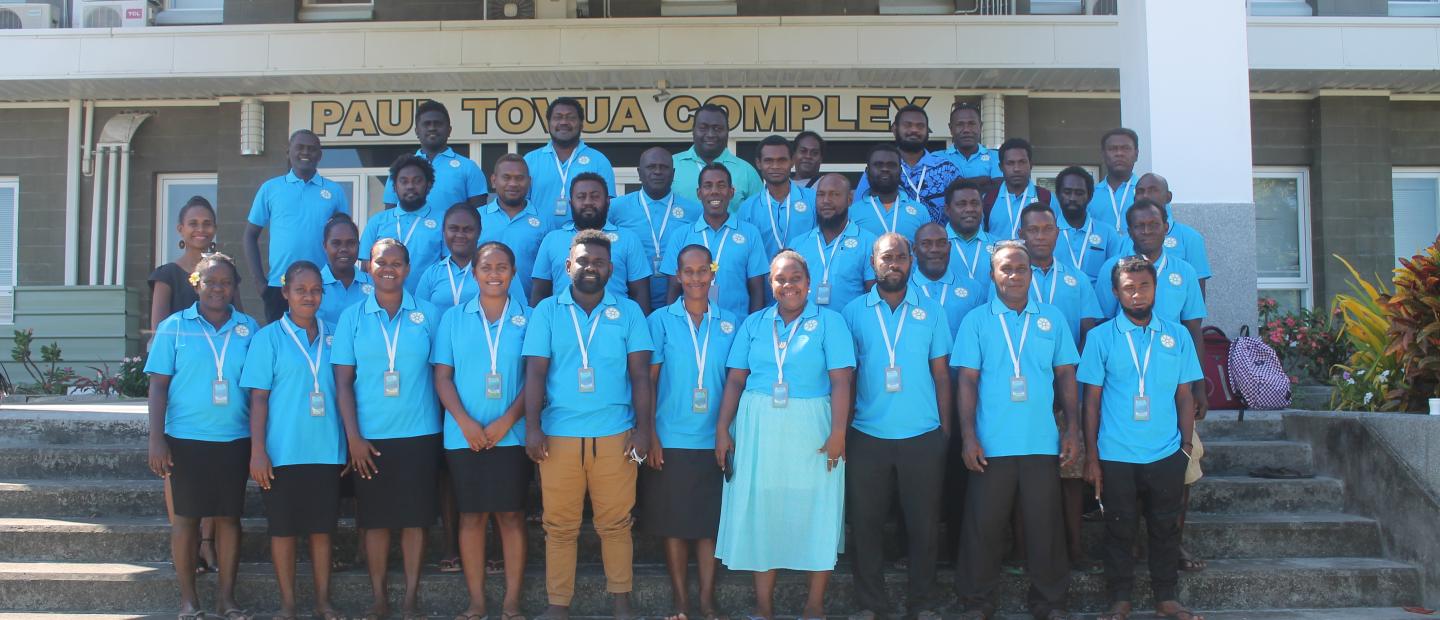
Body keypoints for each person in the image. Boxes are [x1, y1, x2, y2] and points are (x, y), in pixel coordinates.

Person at [715, 250, 854, 620]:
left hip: (813, 426)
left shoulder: (832, 323)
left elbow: (842, 381)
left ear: (808, 283)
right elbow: (735, 380)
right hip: (758, 426)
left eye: (795, 278)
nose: (788, 285)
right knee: (764, 511)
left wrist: (839, 432)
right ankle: (764, 609)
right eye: (780, 279)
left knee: (818, 508)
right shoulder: (754, 324)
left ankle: (814, 606)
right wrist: (721, 430)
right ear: (770, 283)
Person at [523, 230, 655, 620]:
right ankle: (557, 604)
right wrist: (532, 428)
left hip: (615, 434)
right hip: (559, 436)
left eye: (598, 262)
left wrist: (644, 430)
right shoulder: (546, 310)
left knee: (615, 524)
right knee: (560, 525)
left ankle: (620, 601)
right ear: (568, 267)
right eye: (582, 261)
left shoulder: (629, 312)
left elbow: (641, 377)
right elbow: (534, 373)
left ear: (611, 269)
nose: (590, 268)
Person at [951, 241, 1081, 620]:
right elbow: (967, 383)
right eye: (1005, 269)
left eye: (1020, 268)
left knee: (1046, 528)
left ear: (1030, 273)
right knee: (983, 528)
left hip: (1041, 441)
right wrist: (969, 436)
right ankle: (977, 602)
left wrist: (1072, 429)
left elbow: (1066, 376)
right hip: (991, 444)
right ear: (993, 275)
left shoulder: (1052, 318)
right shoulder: (976, 321)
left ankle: (1051, 601)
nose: (1013, 275)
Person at [1079, 256, 1207, 620]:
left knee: (1166, 528)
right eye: (1129, 288)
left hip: (1166, 451)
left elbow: (1184, 395)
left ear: (1155, 288)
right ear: (1116, 292)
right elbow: (1092, 402)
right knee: (1119, 529)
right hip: (1117, 453)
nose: (1137, 295)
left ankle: (1167, 598)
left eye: (1144, 286)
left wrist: (1185, 446)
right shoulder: (1101, 337)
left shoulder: (1177, 335)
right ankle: (1120, 599)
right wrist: (1092, 456)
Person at [840, 233, 952, 620]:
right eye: (886, 257)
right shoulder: (853, 312)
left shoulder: (933, 311)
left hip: (922, 435)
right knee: (866, 525)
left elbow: (941, 375)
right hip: (867, 435)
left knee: (923, 526)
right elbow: (847, 376)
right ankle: (871, 604)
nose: (894, 264)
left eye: (901, 257)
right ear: (873, 263)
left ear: (912, 261)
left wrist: (945, 432)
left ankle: (922, 604)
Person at [144, 253, 260, 620]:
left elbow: (258, 390)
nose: (218, 288)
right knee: (186, 521)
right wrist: (156, 438)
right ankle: (188, 601)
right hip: (184, 438)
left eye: (226, 282)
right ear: (197, 284)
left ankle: (227, 599)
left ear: (234, 287)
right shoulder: (174, 328)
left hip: (234, 438)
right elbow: (158, 387)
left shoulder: (249, 329)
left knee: (228, 519)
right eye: (210, 282)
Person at [331, 238, 442, 620]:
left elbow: (442, 374)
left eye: (397, 262)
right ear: (369, 267)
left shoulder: (428, 314)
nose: (389, 268)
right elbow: (343, 381)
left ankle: (410, 598)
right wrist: (354, 437)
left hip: (420, 433)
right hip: (370, 437)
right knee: (375, 521)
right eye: (381, 262)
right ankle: (379, 598)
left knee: (415, 519)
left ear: (409, 269)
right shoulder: (352, 317)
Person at [240, 260, 346, 620]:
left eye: (316, 290)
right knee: (283, 531)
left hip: (327, 450)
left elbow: (346, 391)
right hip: (282, 452)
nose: (309, 296)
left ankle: (323, 602)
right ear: (285, 293)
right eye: (300, 290)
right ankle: (288, 604)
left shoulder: (335, 334)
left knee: (322, 531)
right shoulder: (267, 338)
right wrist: (257, 452)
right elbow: (258, 398)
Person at [434, 241, 533, 620]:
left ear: (513, 272)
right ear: (474, 273)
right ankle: (476, 602)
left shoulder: (530, 317)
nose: (495, 274)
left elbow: (535, 378)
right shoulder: (453, 319)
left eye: (503, 267)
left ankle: (511, 603)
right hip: (464, 436)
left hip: (513, 434)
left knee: (510, 515)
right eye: (487, 267)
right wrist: (466, 422)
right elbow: (443, 377)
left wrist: (507, 420)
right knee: (471, 516)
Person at [644, 244, 739, 620]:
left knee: (708, 526)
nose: (697, 278)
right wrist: (649, 432)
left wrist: (727, 432)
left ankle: (706, 601)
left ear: (713, 275)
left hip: (715, 439)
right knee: (675, 524)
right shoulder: (659, 321)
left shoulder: (732, 323)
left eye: (704, 271)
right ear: (678, 276)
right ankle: (681, 602)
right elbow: (648, 381)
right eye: (689, 272)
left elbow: (736, 382)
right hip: (670, 437)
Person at [1015, 202, 1105, 574]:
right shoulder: (1011, 276)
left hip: (1068, 392)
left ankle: (1074, 548)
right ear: (1022, 234)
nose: (1039, 236)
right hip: (1025, 396)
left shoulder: (1077, 279)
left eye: (1046, 229)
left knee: (1070, 475)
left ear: (1056, 233)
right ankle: (1022, 552)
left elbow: (1089, 333)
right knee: (1025, 478)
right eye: (1032, 230)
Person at [147, 195, 230, 576]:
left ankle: (209, 544)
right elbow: (158, 330)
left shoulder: (223, 274)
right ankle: (187, 543)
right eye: (193, 223)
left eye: (207, 222)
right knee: (181, 482)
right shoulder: (167, 274)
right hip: (182, 393)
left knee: (217, 484)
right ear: (180, 230)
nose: (201, 229)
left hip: (220, 402)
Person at [245, 130, 350, 322]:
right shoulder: (270, 188)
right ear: (288, 153)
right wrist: (260, 283)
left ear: (319, 155)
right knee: (282, 346)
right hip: (280, 286)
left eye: (312, 149)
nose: (306, 152)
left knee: (324, 342)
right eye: (300, 148)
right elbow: (250, 235)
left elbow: (344, 238)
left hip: (322, 285)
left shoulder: (334, 191)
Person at [531, 173, 653, 313]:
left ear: (608, 202)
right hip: (562, 324)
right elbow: (539, 292)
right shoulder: (552, 239)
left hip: (616, 323)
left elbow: (640, 293)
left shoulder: (629, 239)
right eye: (581, 197)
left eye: (595, 196)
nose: (588, 202)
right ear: (571, 203)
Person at [661, 164, 768, 320]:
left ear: (731, 192)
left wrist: (752, 330)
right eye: (707, 186)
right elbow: (673, 290)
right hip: (690, 329)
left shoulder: (750, 233)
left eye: (721, 185)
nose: (714, 191)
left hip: (737, 328)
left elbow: (757, 291)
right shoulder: (680, 236)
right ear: (699, 193)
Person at [609, 146, 700, 310]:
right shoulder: (616, 208)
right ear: (639, 172)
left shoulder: (694, 211)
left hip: (681, 302)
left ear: (673, 174)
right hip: (630, 301)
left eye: (663, 167)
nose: (657, 172)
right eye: (651, 167)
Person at [855, 104, 962, 224]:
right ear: (895, 129)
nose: (914, 130)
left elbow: (963, 211)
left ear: (927, 131)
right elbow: (857, 212)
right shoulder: (879, 170)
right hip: (890, 240)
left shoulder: (947, 169)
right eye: (907, 125)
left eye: (920, 126)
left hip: (938, 242)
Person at [382, 100, 488, 211]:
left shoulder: (469, 167)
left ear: (449, 130)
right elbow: (390, 216)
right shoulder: (401, 170)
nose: (432, 128)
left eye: (438, 124)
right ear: (417, 131)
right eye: (426, 124)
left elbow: (480, 218)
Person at [525, 97, 616, 225]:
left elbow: (608, 205)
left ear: (581, 124)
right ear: (548, 124)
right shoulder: (530, 160)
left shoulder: (599, 160)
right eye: (558, 117)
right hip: (538, 237)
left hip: (584, 238)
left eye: (571, 117)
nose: (564, 122)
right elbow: (520, 203)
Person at [792, 174, 876, 310]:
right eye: (820, 194)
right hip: (805, 328)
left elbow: (873, 295)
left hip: (849, 328)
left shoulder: (869, 242)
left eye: (834, 194)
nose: (826, 200)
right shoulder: (797, 244)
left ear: (849, 199)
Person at [360, 155, 445, 291]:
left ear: (428, 185)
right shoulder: (377, 222)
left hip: (426, 304)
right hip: (383, 305)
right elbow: (365, 268)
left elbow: (446, 268)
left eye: (417, 181)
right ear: (394, 187)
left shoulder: (443, 221)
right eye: (404, 181)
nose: (410, 186)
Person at [480, 153, 556, 304]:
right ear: (494, 181)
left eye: (519, 178)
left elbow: (549, 273)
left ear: (529, 182)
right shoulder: (477, 218)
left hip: (528, 308)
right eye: (506, 177)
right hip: (481, 308)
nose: (513, 183)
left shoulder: (545, 221)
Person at [1129, 173, 1213, 294]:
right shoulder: (1125, 240)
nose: (1146, 196)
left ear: (1168, 197)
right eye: (1140, 191)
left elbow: (1197, 297)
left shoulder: (1191, 238)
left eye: (1153, 190)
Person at [737, 135, 816, 260]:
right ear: (759, 163)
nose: (775, 166)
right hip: (766, 279)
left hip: (808, 278)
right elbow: (744, 254)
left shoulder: (813, 199)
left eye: (782, 160)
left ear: (792, 161)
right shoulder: (748, 208)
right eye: (768, 160)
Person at [672, 104, 763, 212]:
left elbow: (760, 216)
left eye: (718, 128)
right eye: (703, 128)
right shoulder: (671, 165)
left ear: (727, 132)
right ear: (693, 130)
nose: (710, 134)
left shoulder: (746, 171)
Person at [912, 223, 982, 342]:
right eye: (926, 244)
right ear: (914, 250)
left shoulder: (974, 289)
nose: (934, 249)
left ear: (949, 247)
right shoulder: (902, 290)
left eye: (941, 243)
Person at [1053, 166, 1121, 287]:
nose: (1072, 198)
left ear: (1090, 197)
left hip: (1095, 304)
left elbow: (1117, 275)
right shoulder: (1047, 232)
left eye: (1079, 193)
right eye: (1067, 192)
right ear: (1058, 195)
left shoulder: (1108, 233)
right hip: (1057, 301)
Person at [413, 204, 485, 316]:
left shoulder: (496, 271)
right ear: (443, 232)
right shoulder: (431, 274)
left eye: (468, 230)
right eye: (453, 229)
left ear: (479, 232)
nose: (460, 235)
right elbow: (419, 316)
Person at [850, 143, 930, 241]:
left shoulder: (920, 211)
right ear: (867, 171)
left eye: (891, 165)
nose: (885, 169)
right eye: (878, 165)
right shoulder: (852, 213)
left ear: (900, 171)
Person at [984, 139, 1053, 240]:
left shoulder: (1046, 198)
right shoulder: (988, 199)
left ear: (1031, 165)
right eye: (1010, 163)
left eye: (1022, 162)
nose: (1016, 168)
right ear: (1001, 167)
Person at [943, 179, 997, 301]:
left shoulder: (999, 247)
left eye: (975, 203)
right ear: (947, 210)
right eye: (961, 204)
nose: (969, 209)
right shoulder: (933, 248)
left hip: (991, 318)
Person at [935, 102, 1002, 194]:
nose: (966, 129)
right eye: (960, 124)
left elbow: (999, 188)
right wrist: (985, 180)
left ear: (980, 127)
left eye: (971, 124)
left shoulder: (997, 156)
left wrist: (953, 185)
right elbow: (936, 191)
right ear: (951, 128)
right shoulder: (936, 159)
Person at [318, 214, 373, 327]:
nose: (343, 249)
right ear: (325, 246)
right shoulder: (312, 286)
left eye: (351, 243)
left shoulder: (374, 284)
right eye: (336, 243)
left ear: (359, 246)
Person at [1088, 128, 1141, 234]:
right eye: (1112, 149)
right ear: (1103, 155)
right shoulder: (1090, 195)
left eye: (1125, 148)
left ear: (1136, 154)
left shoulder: (1149, 192)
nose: (1119, 153)